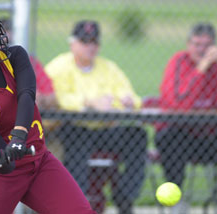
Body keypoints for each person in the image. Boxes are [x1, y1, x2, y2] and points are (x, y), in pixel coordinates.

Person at [0, 7, 96, 214]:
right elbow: (6, 167)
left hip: (39, 162)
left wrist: (18, 137)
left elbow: (26, 95)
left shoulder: (14, 57)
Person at [45, 20, 147, 214]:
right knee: (75, 140)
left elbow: (133, 98)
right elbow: (56, 98)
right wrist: (88, 102)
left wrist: (125, 102)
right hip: (75, 128)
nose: (90, 47)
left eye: (94, 42)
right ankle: (78, 204)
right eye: (84, 41)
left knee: (138, 135)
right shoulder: (59, 66)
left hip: (106, 128)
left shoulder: (108, 68)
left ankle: (125, 195)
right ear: (72, 43)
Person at [155, 22, 217, 213]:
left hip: (211, 136)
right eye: (197, 44)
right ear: (188, 44)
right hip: (182, 136)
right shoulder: (178, 62)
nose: (201, 50)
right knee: (168, 136)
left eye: (207, 46)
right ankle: (177, 201)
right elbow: (179, 104)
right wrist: (201, 69)